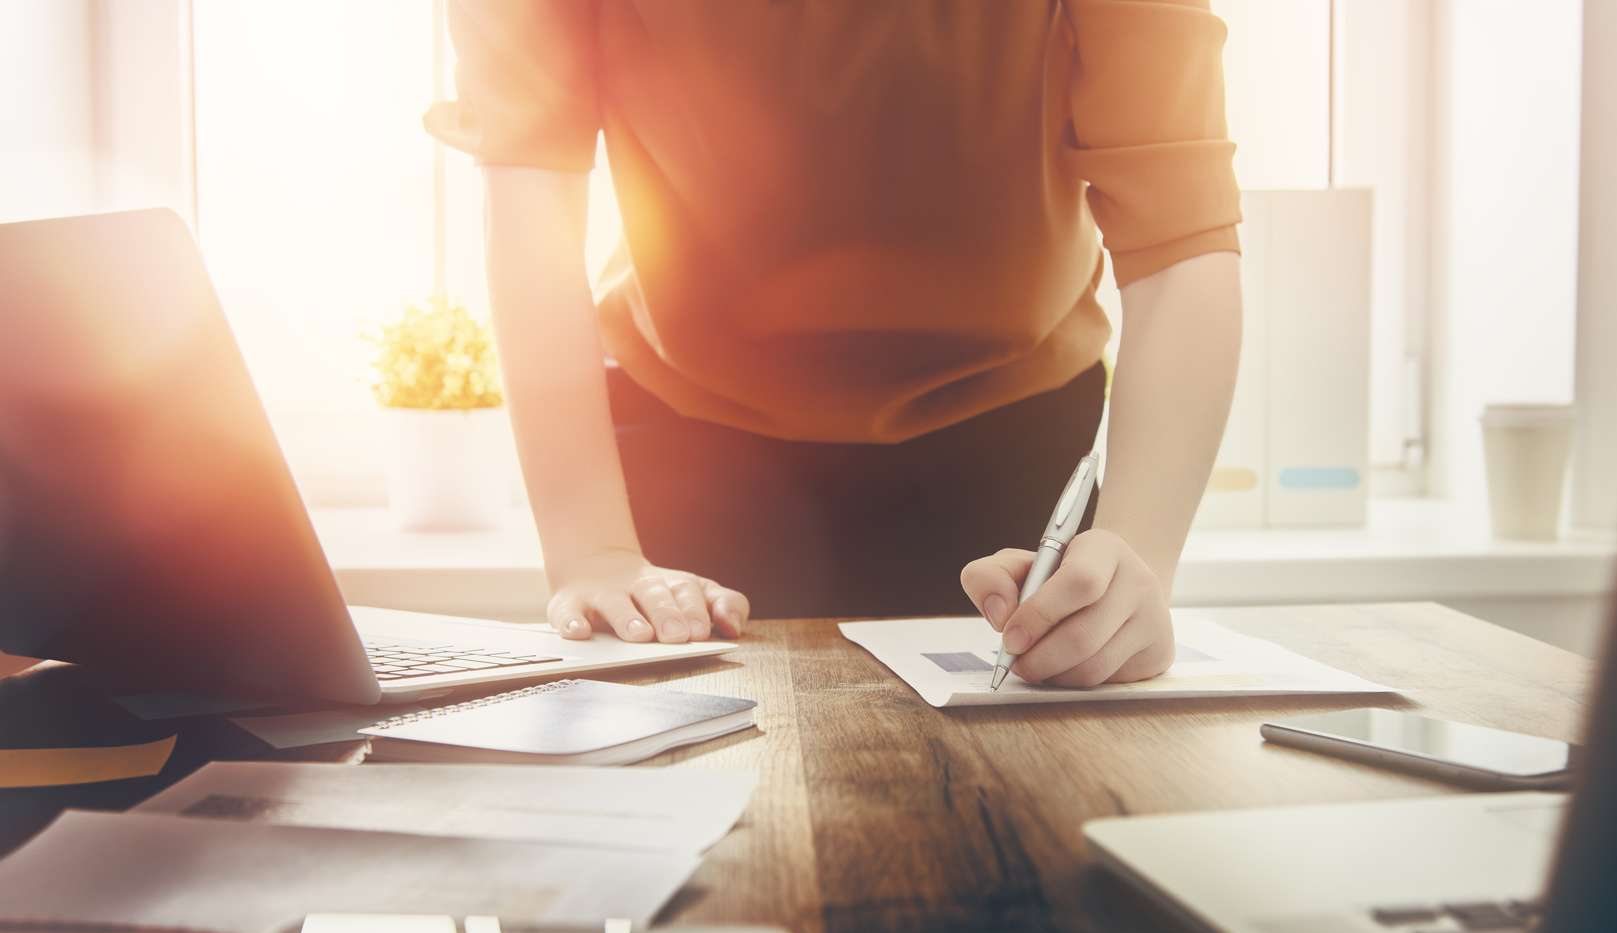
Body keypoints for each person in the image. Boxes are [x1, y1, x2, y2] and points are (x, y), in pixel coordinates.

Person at [426, 1, 1242, 687]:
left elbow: (1180, 235)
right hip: (686, 444)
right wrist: (592, 550)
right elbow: (528, 184)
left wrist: (1140, 556)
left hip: (1011, 437)